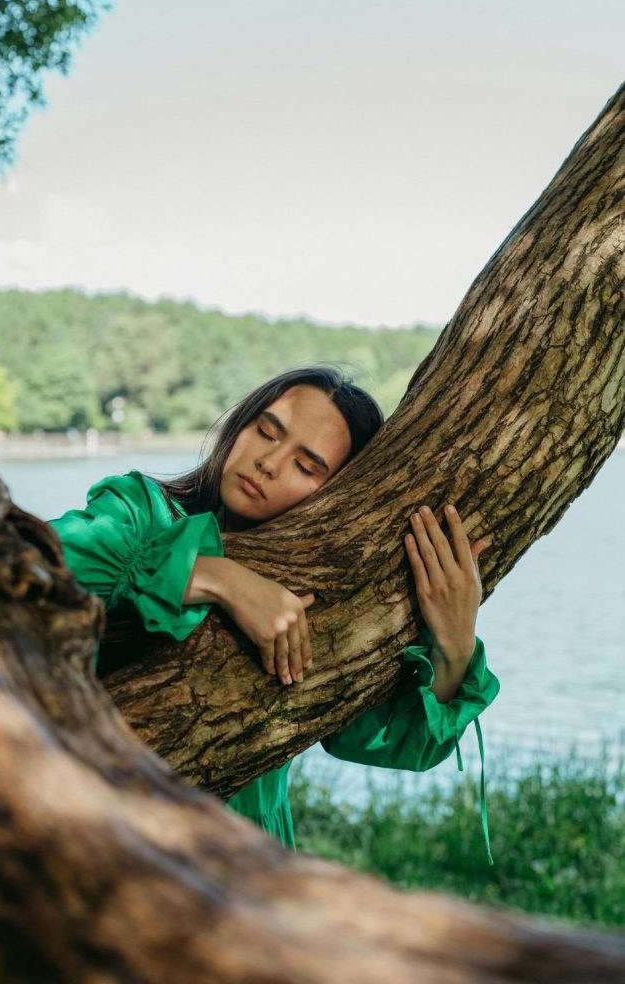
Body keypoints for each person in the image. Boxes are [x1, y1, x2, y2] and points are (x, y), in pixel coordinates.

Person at [50, 367, 499, 858]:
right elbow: (41, 565)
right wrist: (219, 578)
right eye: (266, 431)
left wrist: (454, 648)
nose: (267, 462)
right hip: (97, 825)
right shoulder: (141, 511)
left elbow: (375, 739)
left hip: (246, 854)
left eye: (306, 467)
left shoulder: (326, 594)